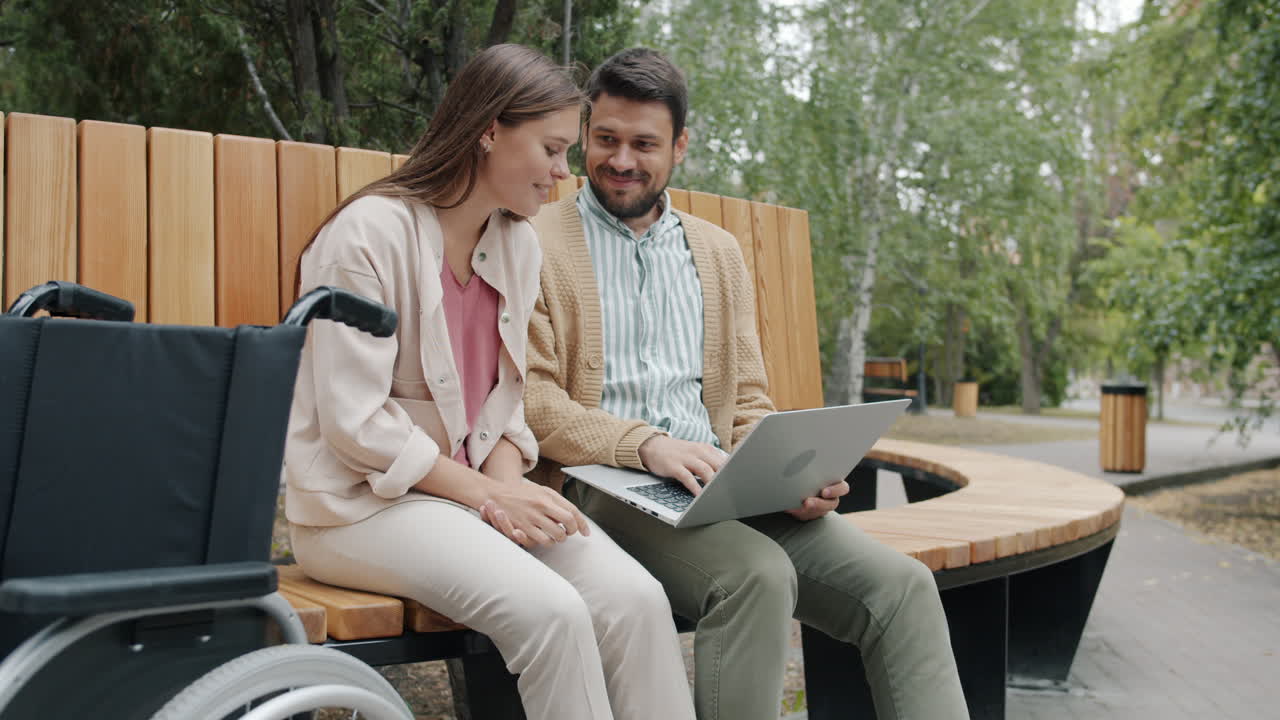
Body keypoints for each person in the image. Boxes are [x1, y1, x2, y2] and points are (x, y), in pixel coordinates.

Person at [525, 47, 970, 720]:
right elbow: (533, 402)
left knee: (901, 587)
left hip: (720, 483)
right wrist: (646, 445)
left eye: (643, 144)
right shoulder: (538, 240)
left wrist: (788, 479)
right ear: (586, 133)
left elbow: (746, 402)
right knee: (755, 578)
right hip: (606, 484)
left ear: (680, 147)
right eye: (605, 138)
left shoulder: (716, 252)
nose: (620, 160)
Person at [284, 44, 695, 720]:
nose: (564, 174)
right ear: (489, 130)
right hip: (359, 509)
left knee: (634, 599)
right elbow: (354, 426)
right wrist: (491, 496)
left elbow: (506, 405)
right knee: (553, 612)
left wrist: (505, 491)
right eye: (551, 149)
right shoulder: (366, 238)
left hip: (466, 502)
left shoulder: (515, 243)